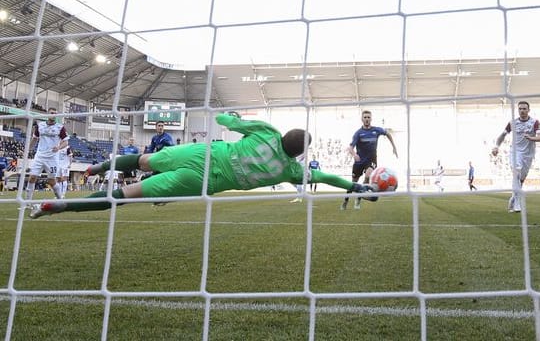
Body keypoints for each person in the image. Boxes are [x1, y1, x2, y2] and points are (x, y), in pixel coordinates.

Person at [30, 112, 377, 219]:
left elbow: (227, 119)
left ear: (283, 133)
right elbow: (328, 176)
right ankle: (60, 205)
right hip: (202, 181)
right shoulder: (291, 170)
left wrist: (231, 117)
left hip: (202, 153)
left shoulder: (266, 131)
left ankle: (96, 168)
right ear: (300, 154)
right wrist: (355, 186)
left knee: (142, 159)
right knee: (127, 194)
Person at [341, 110, 398, 211]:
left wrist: (394, 147)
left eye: (368, 117)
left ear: (371, 118)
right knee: (353, 183)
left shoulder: (376, 130)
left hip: (371, 160)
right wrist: (354, 155)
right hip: (359, 161)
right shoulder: (358, 133)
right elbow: (350, 147)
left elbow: (388, 133)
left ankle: (358, 199)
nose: (367, 119)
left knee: (368, 176)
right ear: (362, 119)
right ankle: (345, 201)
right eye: (365, 117)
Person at [493, 101, 540, 212]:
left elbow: (539, 137)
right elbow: (502, 135)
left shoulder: (535, 123)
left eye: (524, 109)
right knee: (516, 171)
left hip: (528, 155)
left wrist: (531, 138)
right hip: (515, 152)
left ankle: (513, 198)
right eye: (520, 109)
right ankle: (518, 203)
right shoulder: (513, 123)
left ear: (529, 110)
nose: (522, 111)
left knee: (521, 180)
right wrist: (496, 146)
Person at [25, 107, 68, 203]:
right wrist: (27, 149)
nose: (53, 115)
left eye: (55, 113)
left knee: (51, 181)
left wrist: (58, 147)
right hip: (39, 156)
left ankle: (60, 200)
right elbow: (35, 139)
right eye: (52, 113)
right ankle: (27, 203)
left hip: (52, 157)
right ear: (48, 114)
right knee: (32, 177)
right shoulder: (40, 126)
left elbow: (65, 142)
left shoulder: (60, 127)